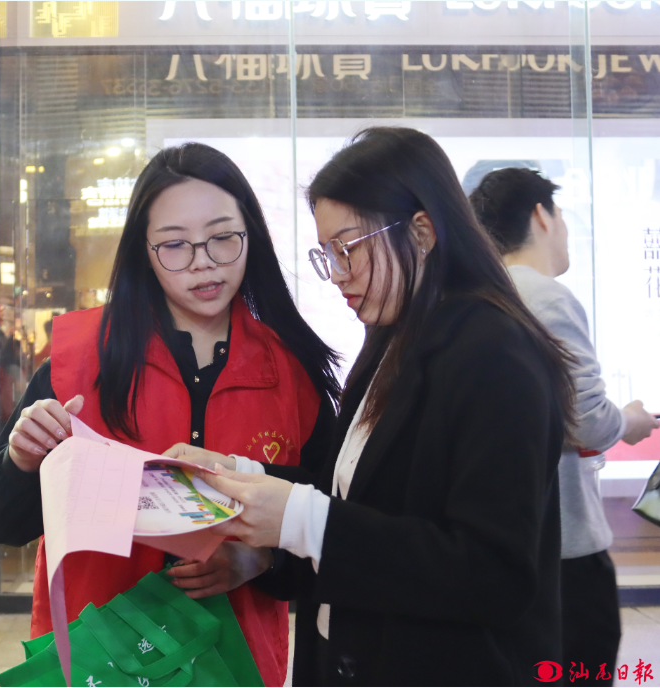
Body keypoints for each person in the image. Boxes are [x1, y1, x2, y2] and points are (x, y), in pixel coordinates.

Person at [166, 127, 577, 686]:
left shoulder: (496, 353)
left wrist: (302, 520)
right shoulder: (393, 336)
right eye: (327, 254)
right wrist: (239, 475)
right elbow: (358, 495)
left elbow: (492, 573)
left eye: (349, 248)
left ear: (423, 232)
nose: (338, 274)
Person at [0, 143, 340, 687]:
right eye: (174, 244)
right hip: (99, 663)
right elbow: (2, 522)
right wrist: (23, 459)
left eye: (223, 237)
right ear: (143, 251)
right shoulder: (78, 361)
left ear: (251, 236)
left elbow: (334, 526)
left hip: (236, 664)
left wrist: (262, 561)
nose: (203, 262)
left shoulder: (294, 375)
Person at [469, 167, 659, 682]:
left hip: (512, 542)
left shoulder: (481, 294)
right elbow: (586, 421)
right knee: (580, 671)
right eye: (563, 215)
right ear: (542, 215)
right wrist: (630, 420)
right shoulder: (544, 296)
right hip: (565, 546)